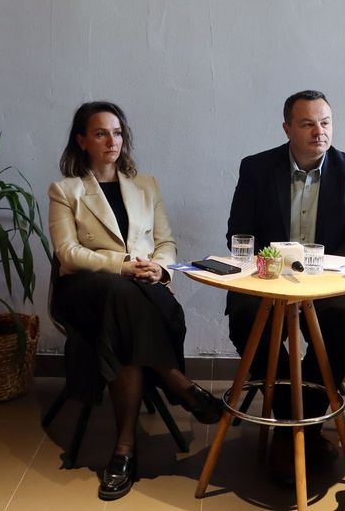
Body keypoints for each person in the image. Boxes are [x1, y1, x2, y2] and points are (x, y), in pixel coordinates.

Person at [48, 101, 222, 501]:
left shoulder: (146, 186)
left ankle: (124, 449)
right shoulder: (66, 190)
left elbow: (166, 243)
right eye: (101, 134)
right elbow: (68, 254)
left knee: (122, 319)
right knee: (117, 292)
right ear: (82, 141)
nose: (112, 141)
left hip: (140, 291)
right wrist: (122, 265)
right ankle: (177, 382)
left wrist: (160, 269)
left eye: (117, 133)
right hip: (85, 291)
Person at [226, 89, 345, 483]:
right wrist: (276, 272)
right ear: (287, 128)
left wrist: (314, 280)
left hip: (329, 285)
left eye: (325, 123)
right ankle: (297, 423)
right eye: (307, 123)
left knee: (343, 325)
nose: (318, 131)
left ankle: (296, 427)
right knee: (245, 320)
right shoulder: (257, 168)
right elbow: (239, 233)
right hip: (268, 279)